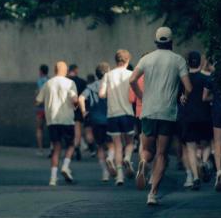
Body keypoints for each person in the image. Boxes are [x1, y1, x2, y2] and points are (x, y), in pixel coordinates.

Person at [130, 26, 192, 205]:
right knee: (162, 154)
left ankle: (142, 162)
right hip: (167, 113)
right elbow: (188, 88)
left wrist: (141, 96)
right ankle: (153, 193)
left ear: (156, 42)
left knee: (147, 151)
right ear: (171, 42)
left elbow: (132, 80)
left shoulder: (147, 59)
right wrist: (183, 98)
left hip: (148, 111)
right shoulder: (178, 60)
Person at [36, 61, 78, 186]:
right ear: (65, 71)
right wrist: (76, 105)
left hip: (52, 121)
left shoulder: (48, 83)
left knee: (56, 148)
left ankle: (53, 179)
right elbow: (75, 99)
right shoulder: (70, 83)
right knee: (71, 145)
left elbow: (38, 101)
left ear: (55, 70)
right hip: (67, 119)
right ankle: (65, 166)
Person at [99, 50, 135, 185]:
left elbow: (101, 94)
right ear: (127, 61)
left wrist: (110, 92)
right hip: (127, 113)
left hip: (113, 114)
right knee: (130, 143)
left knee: (117, 145)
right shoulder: (131, 74)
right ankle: (128, 157)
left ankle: (119, 176)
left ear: (116, 60)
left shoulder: (108, 75)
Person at [180, 51, 212, 190]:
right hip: (204, 117)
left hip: (188, 117)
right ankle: (204, 162)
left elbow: (180, 98)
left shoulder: (183, 79)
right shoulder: (206, 78)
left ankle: (196, 177)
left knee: (191, 148)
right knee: (206, 144)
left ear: (188, 63)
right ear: (200, 62)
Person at [79, 62, 114, 182]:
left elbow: (81, 98)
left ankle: (105, 172)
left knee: (99, 146)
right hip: (110, 118)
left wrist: (84, 111)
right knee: (112, 144)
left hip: (95, 120)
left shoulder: (91, 86)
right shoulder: (111, 85)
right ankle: (110, 157)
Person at [203, 63, 221, 192]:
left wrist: (215, 98)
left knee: (217, 142)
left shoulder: (213, 77)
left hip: (218, 111)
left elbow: (204, 97)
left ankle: (219, 171)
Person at [68, 64, 87, 161]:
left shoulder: (65, 81)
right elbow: (84, 97)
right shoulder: (82, 82)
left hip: (66, 109)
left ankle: (70, 148)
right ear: (76, 70)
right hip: (78, 109)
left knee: (68, 131)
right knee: (77, 128)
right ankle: (77, 146)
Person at [35, 64, 49, 156]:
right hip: (49, 107)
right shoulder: (50, 81)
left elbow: (38, 93)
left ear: (41, 71)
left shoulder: (39, 81)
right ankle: (52, 148)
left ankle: (40, 149)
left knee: (39, 128)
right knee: (51, 128)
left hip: (40, 107)